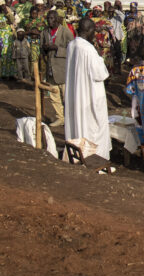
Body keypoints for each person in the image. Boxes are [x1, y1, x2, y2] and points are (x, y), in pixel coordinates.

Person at [65, 16, 112, 163]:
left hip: (76, 93)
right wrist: (99, 57)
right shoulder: (88, 49)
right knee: (93, 128)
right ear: (90, 30)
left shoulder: (72, 45)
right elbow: (101, 73)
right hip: (89, 96)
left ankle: (78, 156)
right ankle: (94, 159)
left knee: (78, 124)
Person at [40, 11, 73, 127]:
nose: (50, 21)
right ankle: (60, 118)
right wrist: (44, 48)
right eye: (48, 18)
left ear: (57, 19)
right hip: (50, 67)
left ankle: (70, 119)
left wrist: (57, 48)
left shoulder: (65, 32)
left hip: (63, 67)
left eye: (52, 18)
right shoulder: (44, 32)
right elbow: (41, 48)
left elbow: (72, 48)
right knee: (54, 95)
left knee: (66, 96)